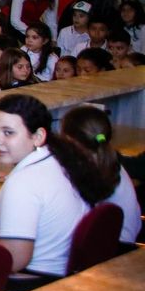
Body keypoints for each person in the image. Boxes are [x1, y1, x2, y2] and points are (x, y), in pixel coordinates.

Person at [0, 93, 109, 288]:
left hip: (30, 286)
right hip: (63, 276)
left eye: (8, 132)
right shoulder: (60, 159)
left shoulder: (24, 183)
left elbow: (14, 261)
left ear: (38, 136)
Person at [59, 105, 142, 244]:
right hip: (123, 243)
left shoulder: (87, 171)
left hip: (111, 250)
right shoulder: (108, 161)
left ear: (70, 140)